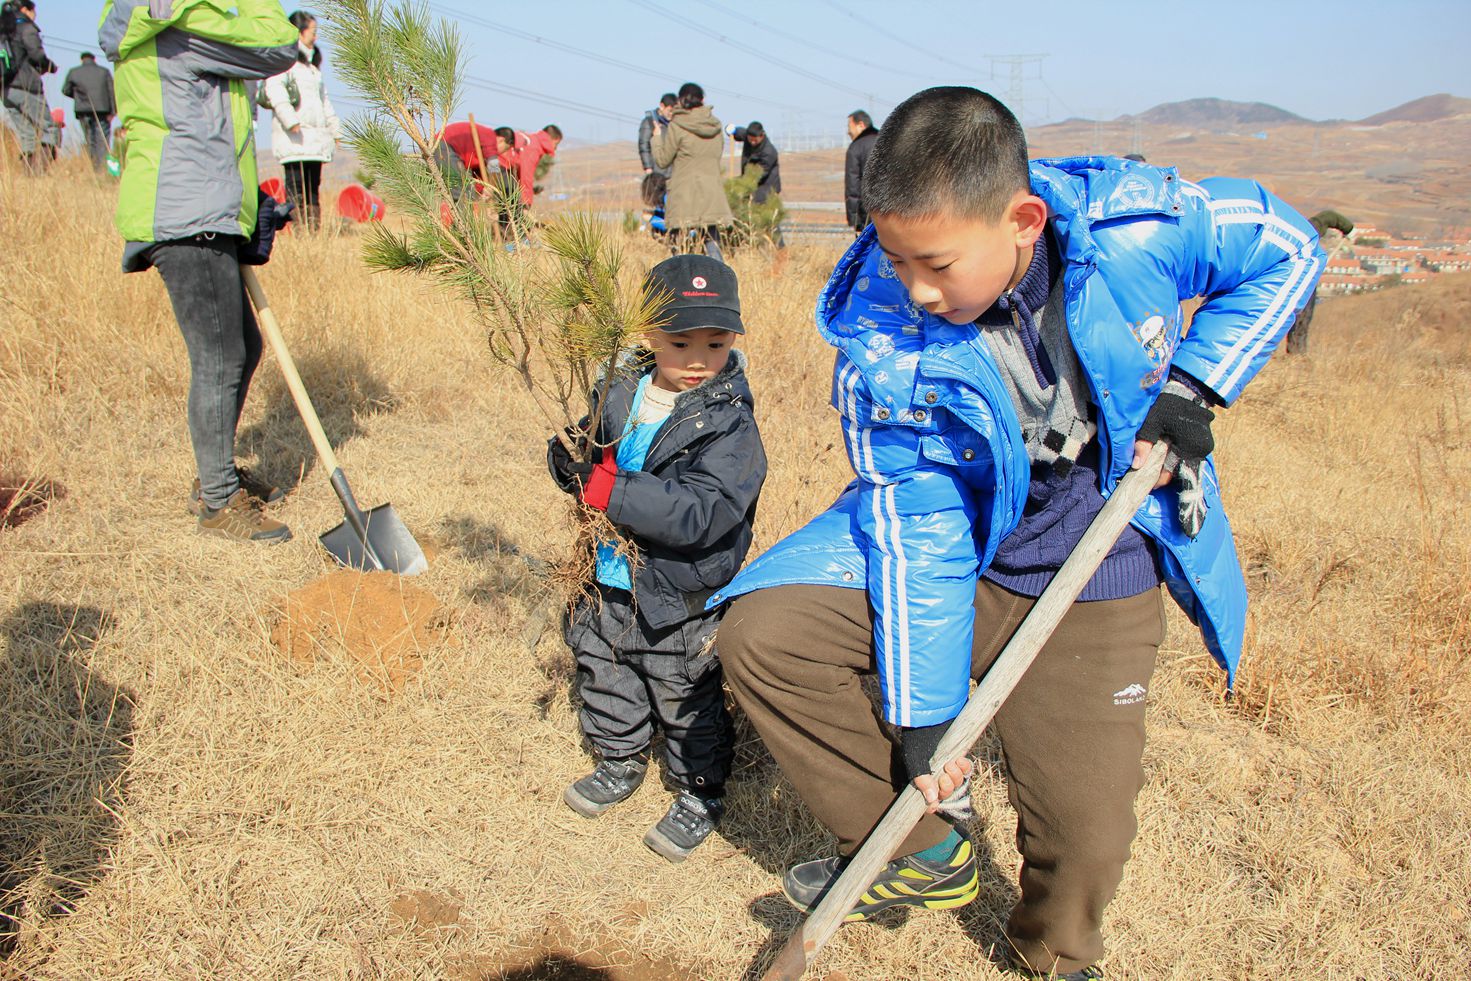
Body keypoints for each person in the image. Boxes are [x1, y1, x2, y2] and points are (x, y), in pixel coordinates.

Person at [713, 87, 1325, 979]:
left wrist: (1195, 386)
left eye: (935, 262)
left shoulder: (1136, 230)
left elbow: (1286, 246)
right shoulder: (884, 337)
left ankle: (1053, 954)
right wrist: (922, 724)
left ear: (1023, 219)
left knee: (1086, 839)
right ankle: (925, 855)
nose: (913, 290)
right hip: (962, 550)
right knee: (766, 637)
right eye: (892, 257)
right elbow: (920, 523)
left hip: (1096, 568)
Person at [546, 254, 767, 863]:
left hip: (679, 595)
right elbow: (591, 443)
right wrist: (568, 456)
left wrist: (607, 491)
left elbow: (703, 513)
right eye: (679, 341)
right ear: (648, 335)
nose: (699, 359)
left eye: (716, 342)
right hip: (607, 580)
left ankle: (699, 791)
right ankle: (618, 759)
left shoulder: (731, 427)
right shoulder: (621, 390)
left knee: (683, 689)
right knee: (604, 667)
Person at [101, 0, 299, 543]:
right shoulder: (179, 24)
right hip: (186, 216)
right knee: (219, 356)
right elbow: (278, 48)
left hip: (199, 210)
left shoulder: (172, 22)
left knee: (243, 346)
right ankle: (217, 502)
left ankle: (217, 475)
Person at [264, 10, 340, 230]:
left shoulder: (313, 69)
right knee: (296, 189)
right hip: (294, 138)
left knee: (313, 187)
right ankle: (299, 232)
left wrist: (335, 130)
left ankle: (313, 233)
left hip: (315, 139)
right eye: (313, 32)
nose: (315, 37)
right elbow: (275, 91)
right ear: (299, 32)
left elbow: (324, 102)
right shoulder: (284, 63)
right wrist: (291, 121)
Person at [654, 82, 732, 261]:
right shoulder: (715, 126)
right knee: (712, 245)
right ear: (703, 100)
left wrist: (657, 138)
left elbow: (662, 160)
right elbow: (716, 154)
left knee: (678, 249)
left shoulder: (676, 125)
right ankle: (717, 284)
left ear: (680, 101)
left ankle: (681, 286)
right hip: (711, 194)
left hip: (684, 195)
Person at [1, 0, 59, 172]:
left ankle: (28, 173)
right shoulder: (27, 28)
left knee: (27, 133)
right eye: (34, 11)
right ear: (25, 9)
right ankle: (39, 171)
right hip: (27, 86)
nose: (35, 15)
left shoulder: (3, 30)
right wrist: (50, 66)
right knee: (49, 127)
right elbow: (36, 55)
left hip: (5, 90)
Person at [1286, 209, 1353, 355]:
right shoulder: (1307, 230)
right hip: (1303, 281)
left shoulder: (1302, 230)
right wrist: (1349, 230)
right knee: (1302, 316)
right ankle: (1296, 353)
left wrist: (1348, 228)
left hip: (1290, 279)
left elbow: (1327, 217)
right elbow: (1327, 216)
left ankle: (1295, 352)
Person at [61, 51, 114, 171]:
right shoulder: (104, 72)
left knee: (90, 139)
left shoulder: (74, 72)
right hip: (103, 111)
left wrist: (78, 97)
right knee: (103, 140)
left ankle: (93, 167)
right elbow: (111, 91)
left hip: (83, 110)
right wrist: (113, 111)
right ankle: (102, 168)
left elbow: (65, 90)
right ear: (94, 59)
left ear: (82, 60)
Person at [494, 123, 561, 210]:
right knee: (512, 198)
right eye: (556, 144)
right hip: (498, 163)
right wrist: (527, 204)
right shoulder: (534, 147)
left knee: (510, 195)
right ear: (554, 139)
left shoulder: (531, 140)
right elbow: (526, 177)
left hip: (497, 163)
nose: (555, 148)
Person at [844, 109, 878, 234]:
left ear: (861, 125)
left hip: (867, 215)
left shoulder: (856, 147)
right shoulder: (887, 141)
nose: (848, 132)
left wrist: (855, 220)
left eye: (849, 127)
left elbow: (853, 185)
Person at [735, 120, 780, 204]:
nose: (752, 142)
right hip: (750, 183)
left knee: (755, 205)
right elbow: (740, 132)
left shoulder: (769, 152)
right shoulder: (749, 135)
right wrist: (733, 130)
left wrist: (739, 182)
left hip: (766, 188)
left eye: (755, 140)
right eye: (750, 139)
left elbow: (758, 173)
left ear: (762, 136)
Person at [638, 92, 676, 178]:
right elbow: (644, 145)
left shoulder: (675, 123)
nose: (671, 114)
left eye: (674, 111)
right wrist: (648, 167)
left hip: (673, 173)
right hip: (657, 172)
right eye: (670, 110)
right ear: (662, 106)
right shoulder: (650, 122)